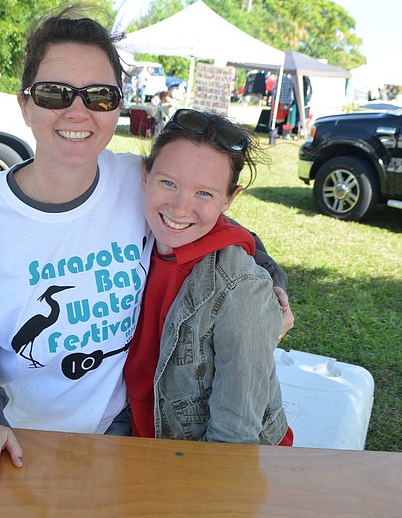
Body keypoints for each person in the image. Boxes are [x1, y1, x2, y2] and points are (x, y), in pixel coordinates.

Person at [0, 6, 294, 494]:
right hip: (20, 434)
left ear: (117, 108)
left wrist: (272, 291)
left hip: (126, 428)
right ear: (25, 105)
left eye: (99, 96)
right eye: (55, 93)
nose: (78, 112)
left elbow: (227, 230)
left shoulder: (137, 181)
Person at [124, 108, 291, 445]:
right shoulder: (134, 237)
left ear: (230, 199)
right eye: (168, 183)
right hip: (138, 444)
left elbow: (234, 437)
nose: (180, 208)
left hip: (205, 465)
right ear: (145, 176)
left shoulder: (242, 289)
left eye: (204, 194)